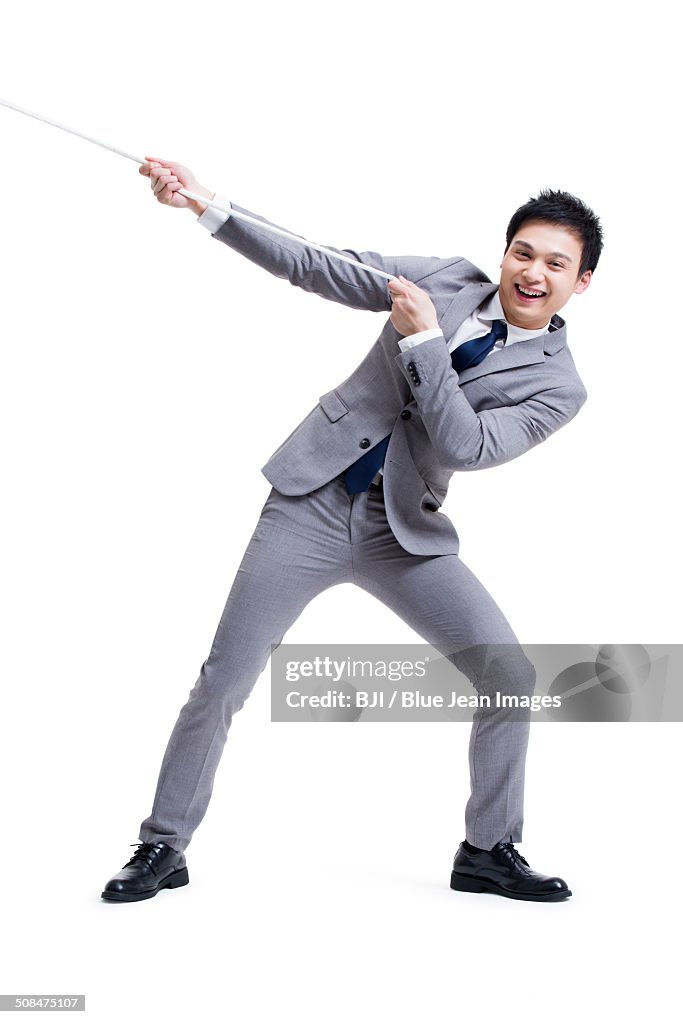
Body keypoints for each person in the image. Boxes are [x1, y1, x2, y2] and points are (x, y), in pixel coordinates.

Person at [101, 158, 603, 903]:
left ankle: (488, 850)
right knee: (224, 680)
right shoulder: (441, 279)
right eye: (521, 253)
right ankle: (161, 847)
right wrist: (205, 206)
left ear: (580, 281)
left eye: (554, 264)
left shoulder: (558, 387)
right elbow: (315, 263)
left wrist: (424, 344)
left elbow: (467, 446)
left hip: (401, 531)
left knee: (509, 674)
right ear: (503, 253)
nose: (532, 272)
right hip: (308, 502)